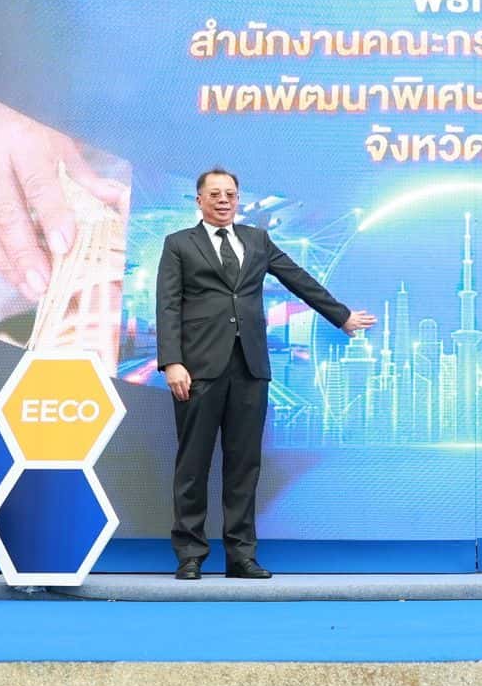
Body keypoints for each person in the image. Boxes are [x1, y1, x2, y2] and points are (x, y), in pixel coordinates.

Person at [157, 168, 374, 579]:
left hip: (250, 367)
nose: (224, 200)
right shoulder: (179, 244)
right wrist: (172, 362)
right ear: (199, 200)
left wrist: (341, 316)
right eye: (215, 194)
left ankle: (241, 556)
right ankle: (190, 555)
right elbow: (167, 305)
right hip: (197, 369)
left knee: (244, 466)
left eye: (230, 193)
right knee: (193, 464)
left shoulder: (257, 240)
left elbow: (298, 280)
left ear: (238, 199)